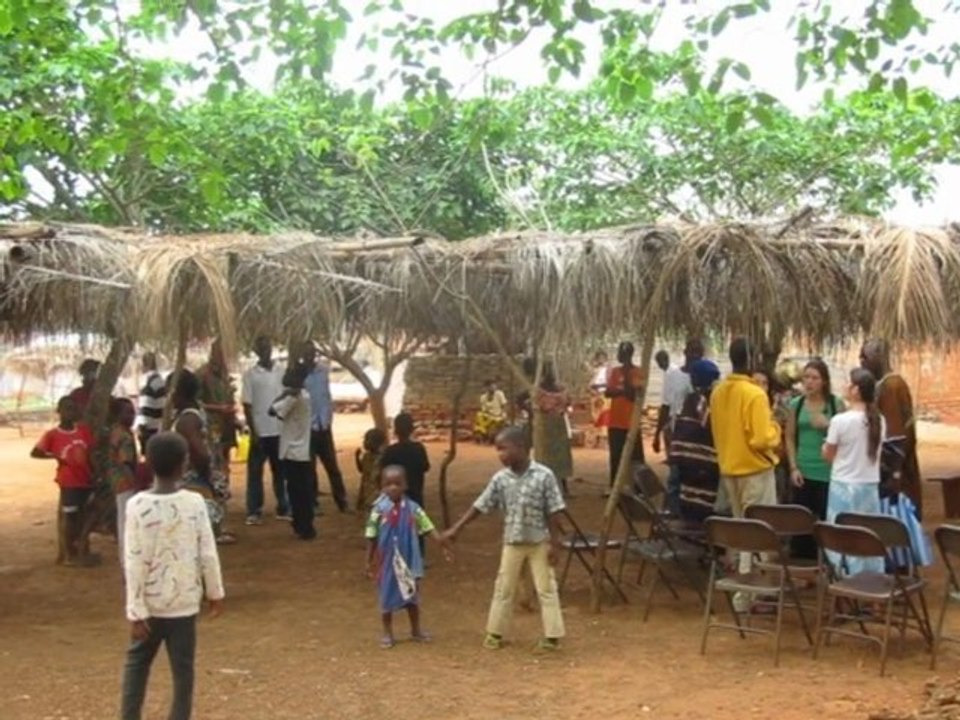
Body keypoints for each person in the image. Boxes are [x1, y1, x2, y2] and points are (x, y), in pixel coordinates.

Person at [120, 432, 225, 720]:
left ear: (148, 463)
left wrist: (135, 610)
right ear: (184, 463)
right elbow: (207, 552)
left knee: (137, 664)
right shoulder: (194, 503)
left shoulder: (137, 505)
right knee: (183, 670)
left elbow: (133, 560)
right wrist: (215, 593)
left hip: (150, 606)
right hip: (184, 604)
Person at [444, 426, 566, 651]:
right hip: (512, 542)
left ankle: (552, 636)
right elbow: (480, 505)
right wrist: (456, 529)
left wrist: (555, 543)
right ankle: (495, 633)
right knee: (503, 588)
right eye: (497, 450)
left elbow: (553, 511)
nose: (500, 454)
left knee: (546, 589)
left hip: (539, 542)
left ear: (521, 448)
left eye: (504, 448)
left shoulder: (544, 475)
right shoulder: (501, 479)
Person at [709, 338, 781, 559]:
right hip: (755, 470)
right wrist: (776, 429)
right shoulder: (755, 394)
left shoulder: (718, 392)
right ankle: (754, 576)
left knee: (740, 527)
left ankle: (743, 575)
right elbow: (761, 439)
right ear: (752, 359)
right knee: (759, 530)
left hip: (729, 468)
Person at [365, 465, 451, 649]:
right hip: (387, 561)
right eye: (388, 484)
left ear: (405, 485)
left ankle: (416, 630)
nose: (393, 487)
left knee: (412, 596)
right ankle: (387, 633)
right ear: (382, 486)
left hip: (408, 559)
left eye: (398, 483)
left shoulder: (413, 508)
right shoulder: (378, 510)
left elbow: (427, 526)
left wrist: (440, 541)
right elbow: (371, 535)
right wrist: (369, 560)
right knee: (386, 596)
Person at [821, 368, 886, 575]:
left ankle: (844, 574)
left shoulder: (840, 421)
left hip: (843, 486)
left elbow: (828, 453)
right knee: (868, 533)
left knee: (841, 535)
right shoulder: (879, 420)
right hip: (869, 486)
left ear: (856, 390)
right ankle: (870, 576)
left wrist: (826, 449)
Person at [785, 359, 843, 559]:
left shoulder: (835, 404)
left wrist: (828, 425)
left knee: (827, 518)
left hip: (828, 471)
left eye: (815, 378)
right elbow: (789, 437)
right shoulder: (797, 404)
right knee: (802, 521)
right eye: (806, 377)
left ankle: (829, 559)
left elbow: (846, 437)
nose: (809, 382)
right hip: (803, 470)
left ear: (824, 381)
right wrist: (793, 467)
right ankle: (804, 563)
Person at [31, 396, 97, 566]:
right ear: (59, 411)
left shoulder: (83, 431)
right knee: (70, 517)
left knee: (85, 515)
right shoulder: (53, 435)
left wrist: (94, 474)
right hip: (69, 481)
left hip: (85, 479)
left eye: (74, 409)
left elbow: (89, 453)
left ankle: (81, 549)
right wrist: (56, 456)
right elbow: (36, 452)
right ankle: (69, 554)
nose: (71, 412)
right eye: (68, 409)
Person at [860, 339, 922, 517]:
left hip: (894, 469)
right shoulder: (885, 385)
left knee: (896, 517)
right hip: (894, 465)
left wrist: (894, 471)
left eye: (865, 357)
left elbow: (895, 436)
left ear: (879, 357)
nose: (861, 362)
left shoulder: (891, 386)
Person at [172, 370, 234, 544]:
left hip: (194, 480)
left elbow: (200, 453)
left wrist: (206, 477)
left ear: (178, 392)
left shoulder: (187, 420)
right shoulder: (195, 411)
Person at [241, 336, 289, 525]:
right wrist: (254, 431)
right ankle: (254, 510)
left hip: (279, 430)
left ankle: (283, 507)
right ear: (256, 351)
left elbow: (287, 398)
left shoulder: (281, 371)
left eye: (267, 347)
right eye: (261, 348)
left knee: (281, 472)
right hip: (261, 431)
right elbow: (247, 405)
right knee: (255, 473)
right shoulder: (250, 375)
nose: (265, 351)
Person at [653, 340, 704, 513]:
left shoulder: (703, 377)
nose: (694, 356)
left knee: (693, 474)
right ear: (685, 352)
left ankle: (687, 510)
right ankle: (671, 511)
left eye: (698, 353)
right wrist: (657, 434)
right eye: (692, 352)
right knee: (675, 473)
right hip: (677, 433)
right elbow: (665, 406)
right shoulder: (673, 376)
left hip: (697, 435)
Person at [669, 359, 721, 524]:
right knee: (703, 502)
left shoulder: (692, 399)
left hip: (687, 461)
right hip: (703, 462)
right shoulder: (706, 401)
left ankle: (690, 530)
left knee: (690, 498)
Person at [302, 343, 349, 512]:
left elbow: (326, 396)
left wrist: (328, 418)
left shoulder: (322, 372)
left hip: (324, 426)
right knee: (310, 469)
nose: (309, 356)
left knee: (333, 467)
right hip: (308, 427)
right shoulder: (299, 375)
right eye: (306, 353)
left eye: (312, 353)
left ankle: (342, 501)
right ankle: (313, 503)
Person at [270, 366, 316, 540]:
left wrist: (283, 395)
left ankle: (303, 526)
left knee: (297, 491)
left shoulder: (293, 398)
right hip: (302, 449)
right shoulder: (305, 395)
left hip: (292, 450)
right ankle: (304, 525)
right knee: (303, 490)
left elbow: (272, 410)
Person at [105, 398, 140, 564]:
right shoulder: (124, 436)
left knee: (123, 519)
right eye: (128, 412)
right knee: (127, 521)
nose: (132, 416)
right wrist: (135, 484)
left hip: (117, 481)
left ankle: (125, 557)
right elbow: (125, 463)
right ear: (117, 415)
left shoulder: (116, 431)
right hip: (125, 482)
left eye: (133, 412)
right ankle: (127, 558)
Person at [605, 341, 645, 485]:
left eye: (621, 353)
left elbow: (631, 395)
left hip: (631, 422)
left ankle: (639, 487)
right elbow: (608, 392)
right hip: (615, 422)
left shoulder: (638, 372)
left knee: (636, 458)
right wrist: (621, 391)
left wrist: (627, 374)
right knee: (615, 456)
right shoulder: (615, 371)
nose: (618, 355)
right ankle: (614, 486)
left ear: (627, 355)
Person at [533, 364, 574, 497]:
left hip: (549, 426)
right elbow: (568, 403)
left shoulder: (539, 390)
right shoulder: (559, 390)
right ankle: (561, 488)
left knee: (552, 456)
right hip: (552, 426)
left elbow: (538, 406)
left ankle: (557, 488)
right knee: (556, 456)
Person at [197, 339, 237, 475]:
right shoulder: (203, 374)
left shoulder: (225, 373)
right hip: (212, 424)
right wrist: (219, 408)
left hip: (228, 423)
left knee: (226, 459)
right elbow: (197, 402)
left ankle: (225, 482)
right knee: (215, 459)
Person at [137, 352, 166, 454]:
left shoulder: (148, 381)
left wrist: (142, 426)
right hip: (155, 426)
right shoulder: (158, 380)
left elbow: (145, 406)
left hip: (150, 428)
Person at [355, 427, 387, 513]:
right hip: (373, 491)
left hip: (370, 491)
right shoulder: (381, 457)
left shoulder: (368, 457)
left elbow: (361, 470)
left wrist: (357, 458)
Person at [589, 350, 611, 446]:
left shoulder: (609, 369)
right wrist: (593, 389)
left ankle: (604, 438)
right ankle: (597, 438)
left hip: (605, 395)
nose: (600, 360)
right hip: (595, 395)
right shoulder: (595, 370)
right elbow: (590, 383)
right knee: (595, 417)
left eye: (602, 358)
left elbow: (609, 382)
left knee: (605, 416)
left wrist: (599, 386)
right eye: (599, 358)